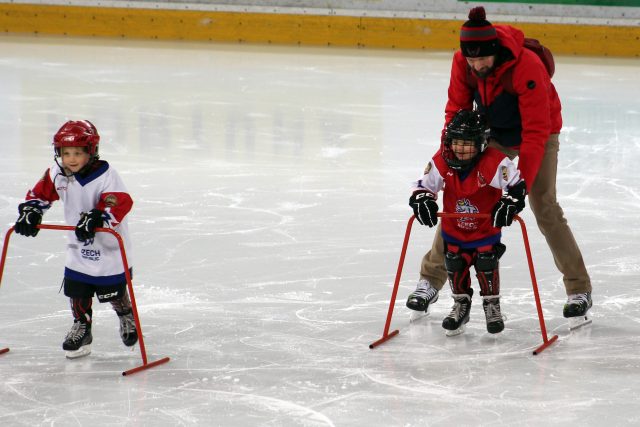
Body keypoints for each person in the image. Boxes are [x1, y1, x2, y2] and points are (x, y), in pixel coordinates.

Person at [407, 6, 592, 325]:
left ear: (494, 51)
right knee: (462, 195)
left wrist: (517, 190)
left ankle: (579, 289)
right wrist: (448, 166)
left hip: (540, 131)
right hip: (494, 132)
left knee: (543, 204)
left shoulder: (527, 66)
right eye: (471, 60)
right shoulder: (462, 63)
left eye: (482, 60)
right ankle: (430, 279)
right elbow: (455, 113)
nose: (476, 65)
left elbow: (534, 133)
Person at [14, 120, 138, 358]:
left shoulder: (107, 175)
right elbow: (39, 194)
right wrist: (31, 211)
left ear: (91, 152)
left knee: (112, 290)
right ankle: (82, 327)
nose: (71, 159)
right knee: (77, 290)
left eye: (78, 153)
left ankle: (125, 314)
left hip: (108, 247)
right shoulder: (57, 174)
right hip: (78, 246)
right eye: (65, 153)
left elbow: (118, 201)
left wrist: (98, 216)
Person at [409, 109, 525, 334]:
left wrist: (512, 200)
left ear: (481, 143)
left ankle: (492, 306)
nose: (460, 149)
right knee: (455, 264)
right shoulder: (443, 159)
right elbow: (425, 184)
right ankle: (460, 306)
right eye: (456, 142)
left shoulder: (493, 162)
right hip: (454, 232)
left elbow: (515, 184)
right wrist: (422, 198)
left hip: (484, 232)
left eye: (467, 143)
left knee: (486, 264)